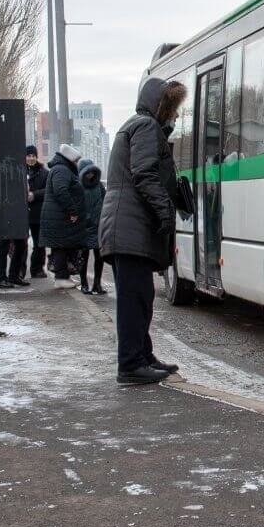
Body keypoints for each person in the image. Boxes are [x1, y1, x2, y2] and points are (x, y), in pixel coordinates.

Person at [100, 77, 188, 385]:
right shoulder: (146, 127)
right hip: (130, 227)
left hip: (127, 227)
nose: (176, 116)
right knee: (134, 298)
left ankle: (142, 355)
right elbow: (145, 172)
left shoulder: (139, 126)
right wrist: (165, 210)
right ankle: (130, 364)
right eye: (173, 109)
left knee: (141, 296)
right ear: (160, 105)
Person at [39, 143, 86, 290]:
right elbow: (61, 191)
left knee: (62, 247)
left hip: (59, 217)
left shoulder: (61, 169)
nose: (77, 163)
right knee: (61, 247)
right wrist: (72, 210)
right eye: (76, 160)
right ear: (70, 159)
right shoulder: (62, 170)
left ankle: (64, 276)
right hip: (60, 217)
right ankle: (60, 277)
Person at [76, 157, 106, 296]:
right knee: (83, 256)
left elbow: (106, 201)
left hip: (98, 226)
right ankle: (84, 284)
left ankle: (97, 284)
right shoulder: (77, 186)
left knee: (99, 257)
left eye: (92, 172)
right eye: (87, 173)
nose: (90, 175)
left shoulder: (99, 186)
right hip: (83, 227)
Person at [24, 145, 49, 279]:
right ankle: (20, 270)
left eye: (33, 155)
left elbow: (48, 190)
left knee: (40, 243)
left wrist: (34, 195)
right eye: (28, 156)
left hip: (38, 213)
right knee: (21, 244)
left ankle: (37, 268)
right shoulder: (19, 170)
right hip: (22, 214)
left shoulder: (44, 173)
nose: (31, 158)